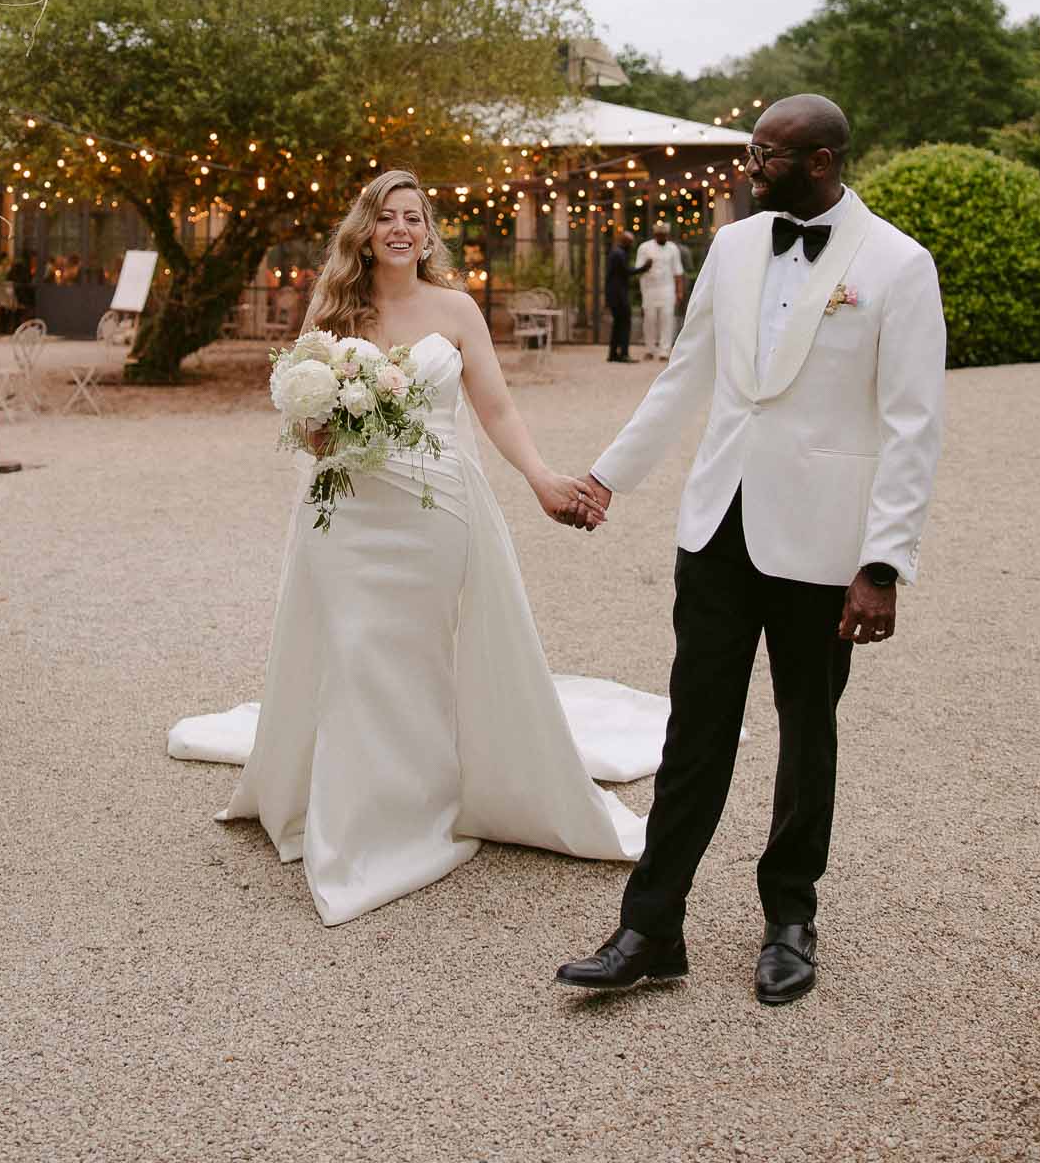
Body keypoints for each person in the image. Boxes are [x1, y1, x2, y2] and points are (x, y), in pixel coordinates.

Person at [169, 169, 671, 926]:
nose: (400, 229)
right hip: (347, 510)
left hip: (436, 505)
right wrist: (323, 415)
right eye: (386, 217)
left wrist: (539, 480)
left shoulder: (456, 308)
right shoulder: (333, 307)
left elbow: (495, 407)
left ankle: (428, 792)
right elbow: (308, 425)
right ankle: (362, 815)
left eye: (413, 217)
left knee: (422, 652)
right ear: (364, 232)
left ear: (427, 232)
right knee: (353, 649)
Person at [557, 95, 944, 1005]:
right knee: (694, 725)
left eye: (765, 155)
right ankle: (651, 925)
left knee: (807, 730)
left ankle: (789, 918)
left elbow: (913, 425)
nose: (748, 168)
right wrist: (611, 475)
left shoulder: (897, 264)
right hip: (716, 528)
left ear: (820, 162)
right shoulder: (732, 248)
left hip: (824, 542)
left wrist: (881, 562)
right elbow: (684, 373)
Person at [635, 218, 684, 361]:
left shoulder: (672, 248)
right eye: (659, 234)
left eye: (664, 234)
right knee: (649, 320)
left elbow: (678, 272)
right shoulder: (644, 248)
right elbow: (638, 269)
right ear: (655, 234)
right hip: (649, 289)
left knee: (667, 318)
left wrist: (679, 292)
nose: (662, 237)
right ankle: (650, 349)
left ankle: (665, 351)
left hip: (667, 288)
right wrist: (647, 265)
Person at [604, 231, 636, 362]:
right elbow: (626, 272)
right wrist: (644, 267)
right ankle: (623, 354)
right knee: (624, 324)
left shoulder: (616, 252)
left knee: (618, 324)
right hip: (619, 295)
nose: (632, 245)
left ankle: (613, 354)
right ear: (626, 241)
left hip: (614, 294)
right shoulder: (619, 254)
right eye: (630, 242)